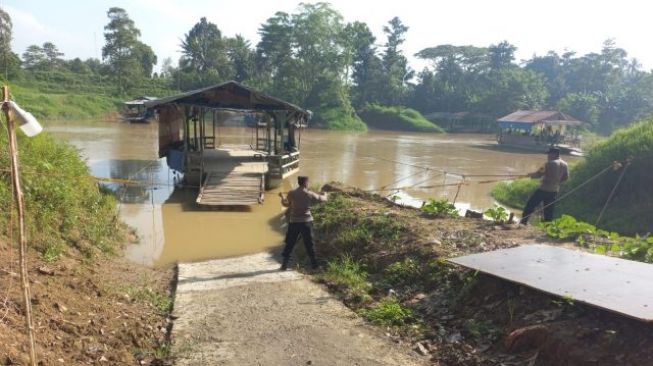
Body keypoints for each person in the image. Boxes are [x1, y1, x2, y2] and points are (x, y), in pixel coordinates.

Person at [278, 176, 328, 270]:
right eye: (308, 182)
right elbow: (323, 199)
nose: (308, 184)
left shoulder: (291, 193)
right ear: (305, 182)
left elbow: (286, 204)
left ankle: (284, 265)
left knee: (290, 243)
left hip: (294, 222)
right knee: (309, 244)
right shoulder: (309, 194)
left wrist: (282, 197)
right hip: (306, 222)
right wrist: (325, 194)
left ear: (298, 182)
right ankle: (315, 266)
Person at [520, 147, 568, 224]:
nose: (548, 156)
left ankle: (523, 222)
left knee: (530, 205)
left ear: (554, 154)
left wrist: (529, 175)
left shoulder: (549, 163)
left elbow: (538, 174)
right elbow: (565, 177)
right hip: (554, 190)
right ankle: (547, 227)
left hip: (543, 189)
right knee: (549, 210)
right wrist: (556, 181)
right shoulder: (565, 164)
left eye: (549, 154)